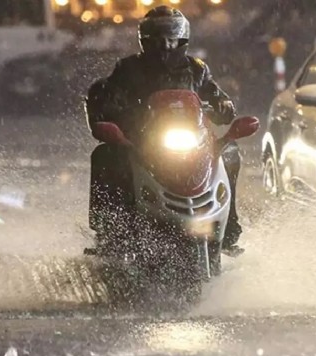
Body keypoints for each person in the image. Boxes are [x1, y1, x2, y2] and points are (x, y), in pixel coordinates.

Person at [84, 5, 245, 257]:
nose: (165, 45)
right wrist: (116, 111)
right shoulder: (127, 69)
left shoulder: (196, 69)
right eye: (158, 38)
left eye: (172, 38)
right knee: (106, 156)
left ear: (183, 39)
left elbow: (214, 94)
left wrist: (223, 104)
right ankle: (110, 233)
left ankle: (229, 227)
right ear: (145, 39)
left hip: (192, 139)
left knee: (231, 151)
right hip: (143, 140)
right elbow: (108, 99)